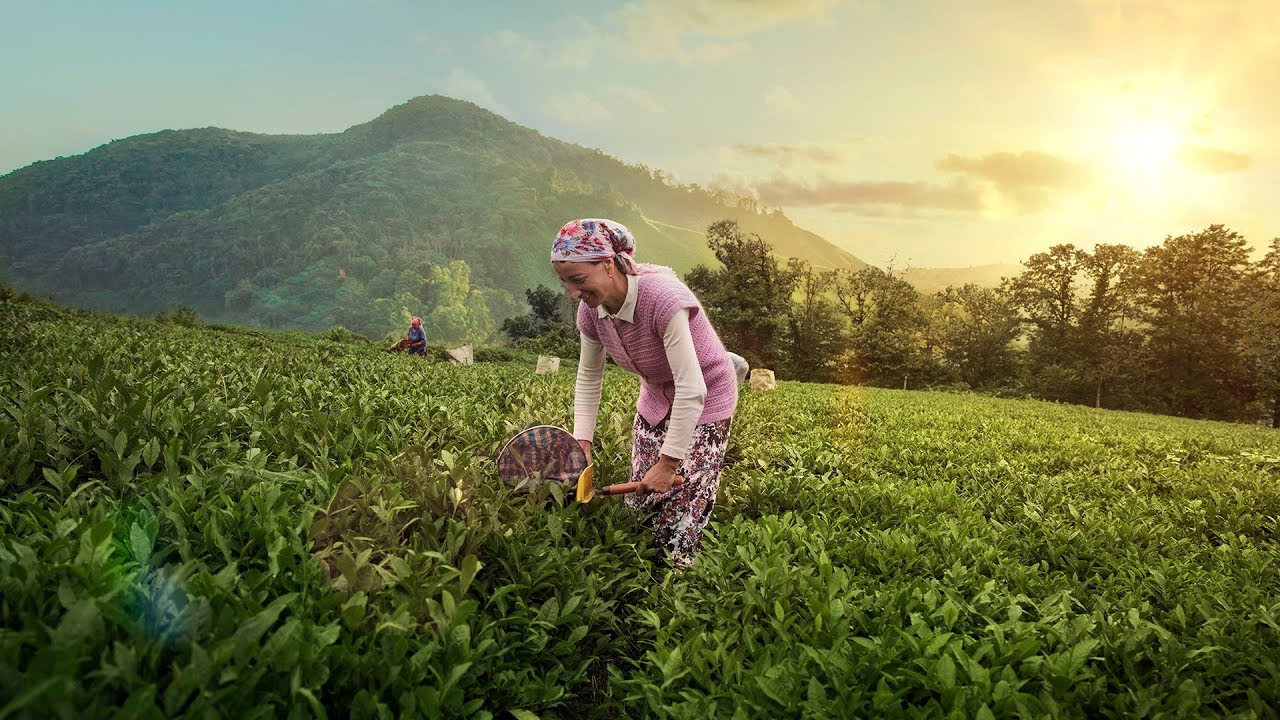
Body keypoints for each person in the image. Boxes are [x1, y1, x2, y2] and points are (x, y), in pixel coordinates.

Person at [553, 218, 738, 569]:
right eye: (565, 283)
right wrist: (583, 443)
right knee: (643, 494)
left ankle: (675, 579)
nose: (573, 293)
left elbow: (692, 387)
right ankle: (639, 566)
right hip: (656, 395)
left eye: (578, 280)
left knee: (683, 496)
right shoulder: (591, 312)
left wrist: (669, 464)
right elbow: (589, 377)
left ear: (608, 264)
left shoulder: (662, 299)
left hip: (706, 394)